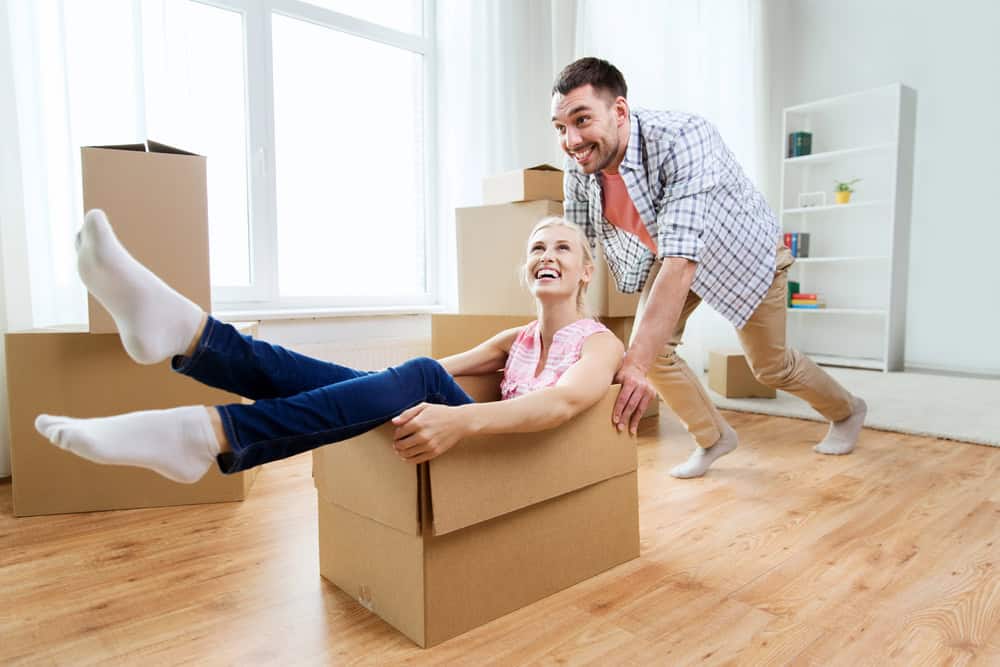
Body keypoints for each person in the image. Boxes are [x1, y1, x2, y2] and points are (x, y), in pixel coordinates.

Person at [35, 210, 624, 483]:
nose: (547, 255)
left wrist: (461, 423)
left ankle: (199, 353)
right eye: (537, 248)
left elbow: (561, 406)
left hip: (516, 454)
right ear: (525, 271)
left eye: (563, 248)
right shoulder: (514, 339)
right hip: (482, 435)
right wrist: (378, 387)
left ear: (585, 271)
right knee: (394, 378)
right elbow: (413, 375)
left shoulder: (600, 344)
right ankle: (192, 346)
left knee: (414, 374)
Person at [550, 57, 867, 479]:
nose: (571, 140)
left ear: (620, 112)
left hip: (744, 253)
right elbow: (579, 242)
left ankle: (847, 411)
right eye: (560, 128)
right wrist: (562, 326)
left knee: (769, 367)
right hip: (673, 251)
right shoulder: (581, 159)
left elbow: (682, 262)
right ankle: (714, 437)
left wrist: (633, 366)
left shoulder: (683, 136)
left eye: (582, 119)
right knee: (654, 351)